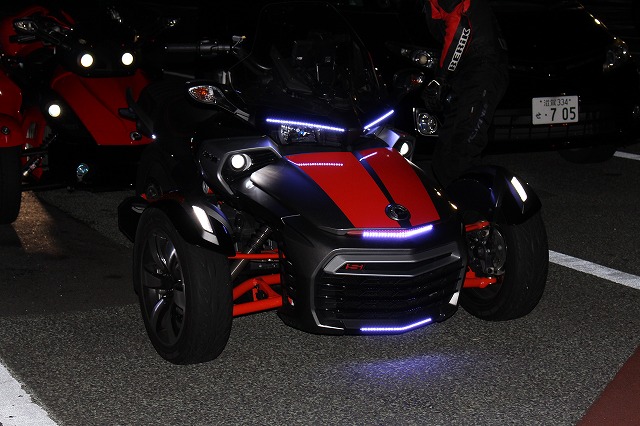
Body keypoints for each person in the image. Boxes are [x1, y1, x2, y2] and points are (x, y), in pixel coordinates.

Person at [422, 0, 509, 187]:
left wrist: (441, 77)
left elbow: (461, 29)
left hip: (483, 68)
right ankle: (454, 198)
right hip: (468, 70)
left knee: (464, 146)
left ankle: (472, 200)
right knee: (444, 154)